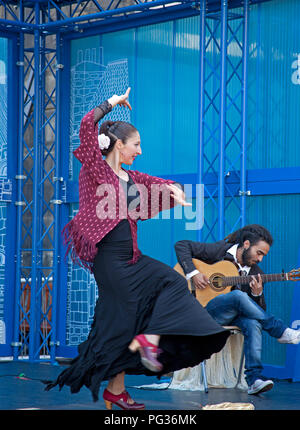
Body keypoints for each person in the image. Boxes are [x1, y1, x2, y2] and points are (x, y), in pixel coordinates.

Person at [45, 88, 230, 409]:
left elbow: (156, 184)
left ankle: (125, 377)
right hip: (110, 261)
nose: (140, 151)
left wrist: (174, 191)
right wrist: (113, 103)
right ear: (119, 145)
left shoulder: (130, 177)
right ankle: (124, 374)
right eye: (136, 145)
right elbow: (86, 126)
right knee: (126, 320)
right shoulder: (95, 168)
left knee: (168, 285)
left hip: (131, 258)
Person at [175, 224, 300, 395]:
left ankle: (254, 379)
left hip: (229, 317)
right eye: (259, 253)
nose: (261, 259)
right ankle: (280, 331)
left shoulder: (256, 272)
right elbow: (181, 245)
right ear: (246, 244)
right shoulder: (219, 251)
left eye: (264, 255)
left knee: (252, 323)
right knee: (238, 297)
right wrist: (194, 273)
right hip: (202, 312)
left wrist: (257, 294)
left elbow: (258, 311)